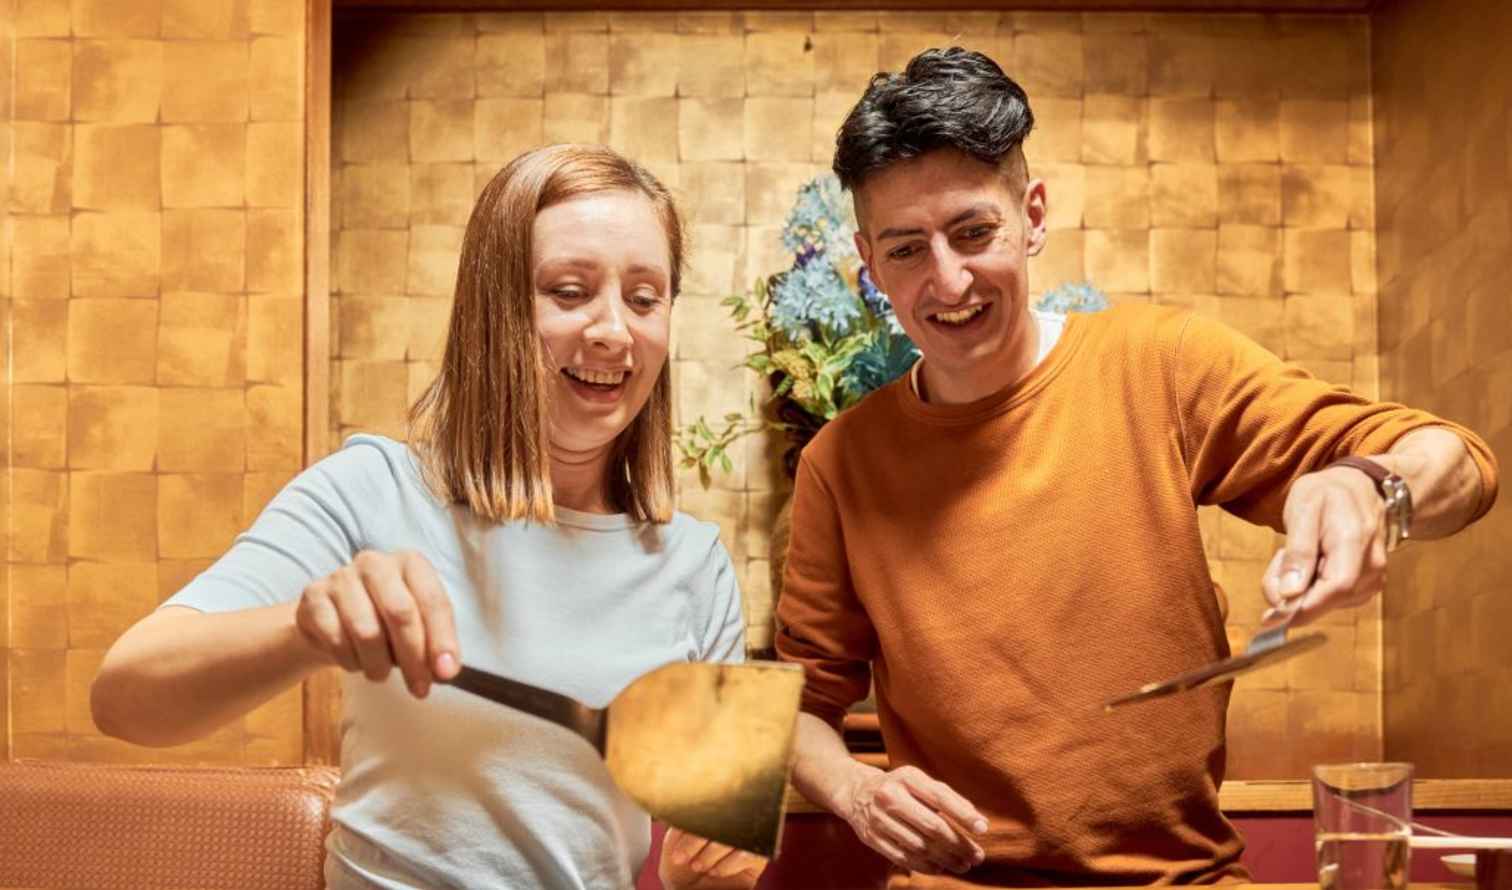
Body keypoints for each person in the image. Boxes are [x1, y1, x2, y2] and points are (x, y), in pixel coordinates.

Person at [775, 48, 1499, 887]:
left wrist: (1373, 487)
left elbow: (1461, 463)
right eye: (906, 250)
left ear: (1033, 214)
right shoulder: (841, 463)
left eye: (975, 232)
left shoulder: (1161, 364)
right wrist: (858, 792)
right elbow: (798, 713)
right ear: (869, 263)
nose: (949, 279)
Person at [92, 144, 766, 890]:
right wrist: (304, 628)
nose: (613, 330)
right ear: (495, 308)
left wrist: (697, 870)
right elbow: (125, 699)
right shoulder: (372, 487)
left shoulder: (695, 563)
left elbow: (718, 861)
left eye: (645, 299)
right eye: (570, 291)